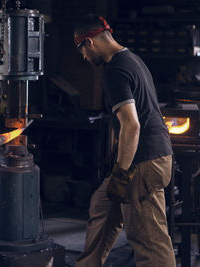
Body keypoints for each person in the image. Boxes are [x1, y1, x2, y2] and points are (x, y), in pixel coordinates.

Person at [73, 15, 175, 267]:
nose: (84, 58)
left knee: (149, 241)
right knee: (103, 205)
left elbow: (132, 124)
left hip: (143, 163)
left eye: (81, 51)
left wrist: (120, 173)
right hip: (146, 156)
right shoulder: (132, 59)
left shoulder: (114, 70)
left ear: (89, 42)